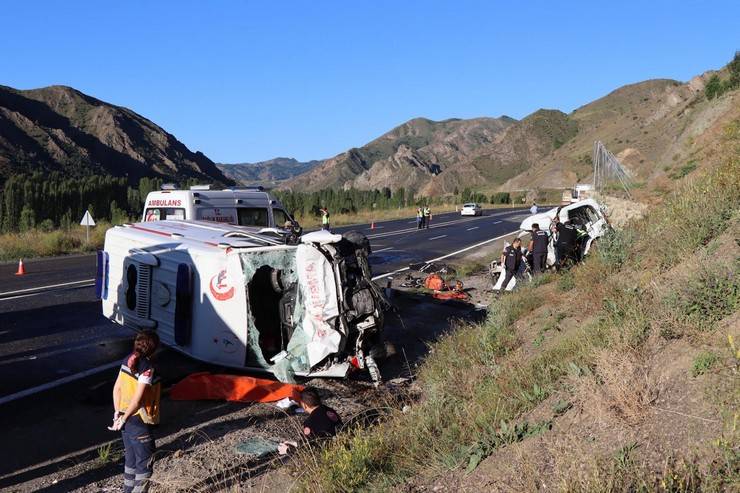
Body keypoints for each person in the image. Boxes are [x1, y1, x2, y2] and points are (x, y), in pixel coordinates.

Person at [111, 330, 161, 493]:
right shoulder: (147, 368)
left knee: (131, 461)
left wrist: (117, 415)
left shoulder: (128, 360)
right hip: (138, 421)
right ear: (153, 349)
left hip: (125, 420)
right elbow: (138, 400)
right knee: (145, 464)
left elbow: (117, 388)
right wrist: (124, 418)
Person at [278, 387, 342, 454]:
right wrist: (295, 443)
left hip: (328, 453)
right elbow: (311, 441)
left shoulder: (310, 422)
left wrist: (288, 450)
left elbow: (307, 450)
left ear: (304, 405)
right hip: (340, 445)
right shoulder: (329, 410)